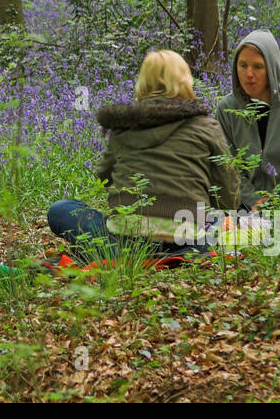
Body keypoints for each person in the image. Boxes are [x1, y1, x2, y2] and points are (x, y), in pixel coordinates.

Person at [48, 50, 239, 262]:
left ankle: (116, 252)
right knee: (232, 226)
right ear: (186, 81)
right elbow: (228, 195)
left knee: (61, 209)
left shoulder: (123, 127)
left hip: (128, 241)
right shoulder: (206, 126)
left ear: (143, 83)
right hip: (190, 239)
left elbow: (104, 178)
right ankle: (181, 253)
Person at [212, 30, 280, 211]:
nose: (249, 74)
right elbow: (227, 167)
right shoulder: (226, 109)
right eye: (242, 65)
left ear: (272, 68)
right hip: (242, 202)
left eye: (257, 67)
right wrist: (255, 201)